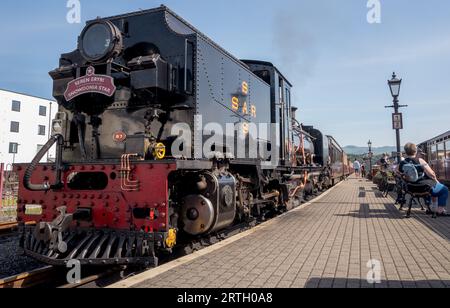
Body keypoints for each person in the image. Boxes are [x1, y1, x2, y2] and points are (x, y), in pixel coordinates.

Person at [398, 143, 449, 216]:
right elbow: (431, 174)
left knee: (431, 187)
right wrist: (436, 181)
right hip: (424, 187)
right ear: (415, 151)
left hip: (410, 188)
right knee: (444, 190)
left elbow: (399, 174)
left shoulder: (402, 163)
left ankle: (430, 208)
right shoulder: (420, 160)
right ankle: (440, 210)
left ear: (405, 152)